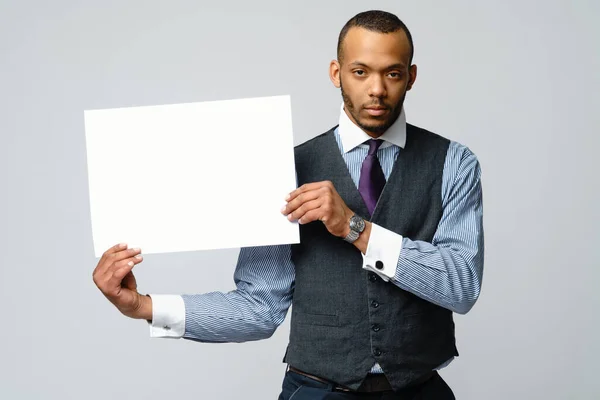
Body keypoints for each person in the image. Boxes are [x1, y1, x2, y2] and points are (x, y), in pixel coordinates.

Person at [93, 10, 484, 399]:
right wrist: (143, 306)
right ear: (337, 73)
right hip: (316, 391)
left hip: (419, 391)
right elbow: (258, 308)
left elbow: (461, 285)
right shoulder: (284, 168)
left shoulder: (454, 163)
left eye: (392, 73)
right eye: (360, 72)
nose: (377, 89)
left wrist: (355, 227)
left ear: (411, 77)